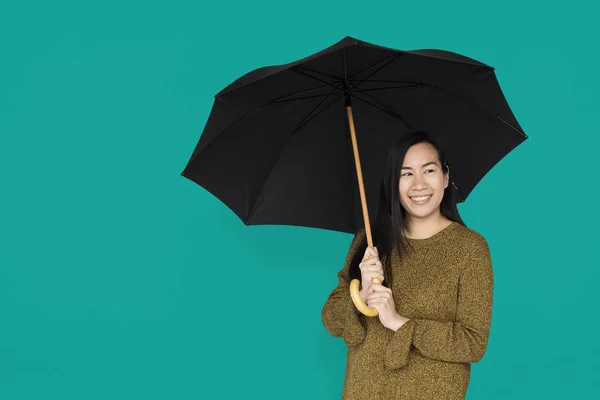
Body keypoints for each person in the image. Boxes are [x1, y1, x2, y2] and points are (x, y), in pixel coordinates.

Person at [321, 131, 494, 399]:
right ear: (393, 183)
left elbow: (472, 342)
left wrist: (399, 323)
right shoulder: (368, 242)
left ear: (446, 177)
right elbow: (332, 320)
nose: (419, 185)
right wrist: (362, 293)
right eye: (406, 174)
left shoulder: (470, 249)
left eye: (428, 170)